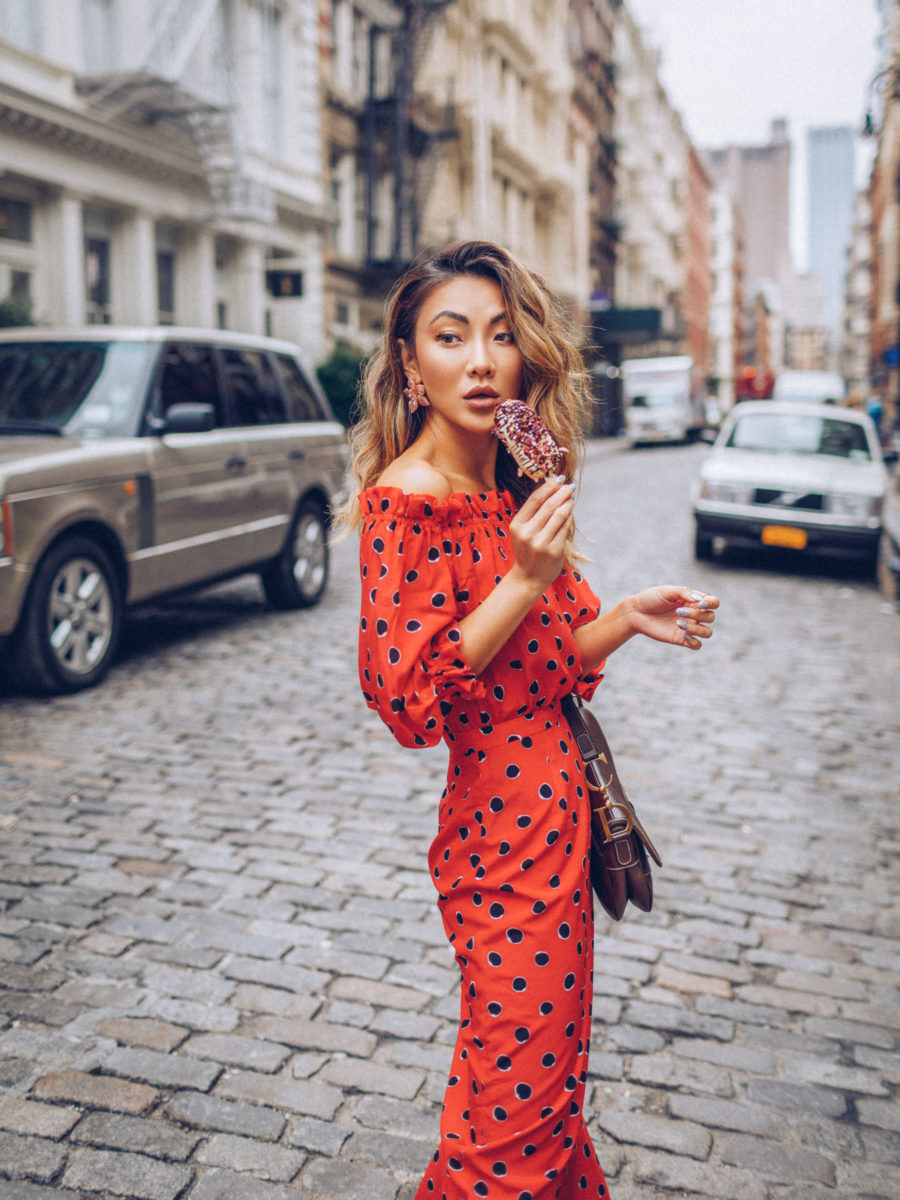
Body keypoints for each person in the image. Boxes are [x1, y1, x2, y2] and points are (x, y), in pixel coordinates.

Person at [341, 240, 719, 1200]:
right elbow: (409, 697)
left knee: (545, 1095)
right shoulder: (405, 504)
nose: (479, 359)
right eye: (450, 335)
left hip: (562, 825)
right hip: (499, 839)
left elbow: (545, 666)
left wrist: (625, 617)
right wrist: (520, 577)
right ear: (410, 364)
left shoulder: (509, 483)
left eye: (500, 337)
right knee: (509, 1116)